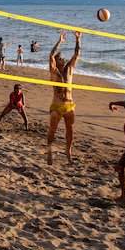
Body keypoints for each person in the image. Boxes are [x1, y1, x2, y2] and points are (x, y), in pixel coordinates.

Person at [46, 30, 81, 165]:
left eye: (63, 59)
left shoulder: (69, 70)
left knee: (70, 131)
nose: (63, 60)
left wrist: (78, 39)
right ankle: (49, 150)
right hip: (56, 105)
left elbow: (77, 54)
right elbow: (50, 55)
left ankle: (69, 151)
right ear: (56, 61)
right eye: (61, 59)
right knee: (52, 130)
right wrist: (60, 41)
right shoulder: (54, 72)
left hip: (69, 105)